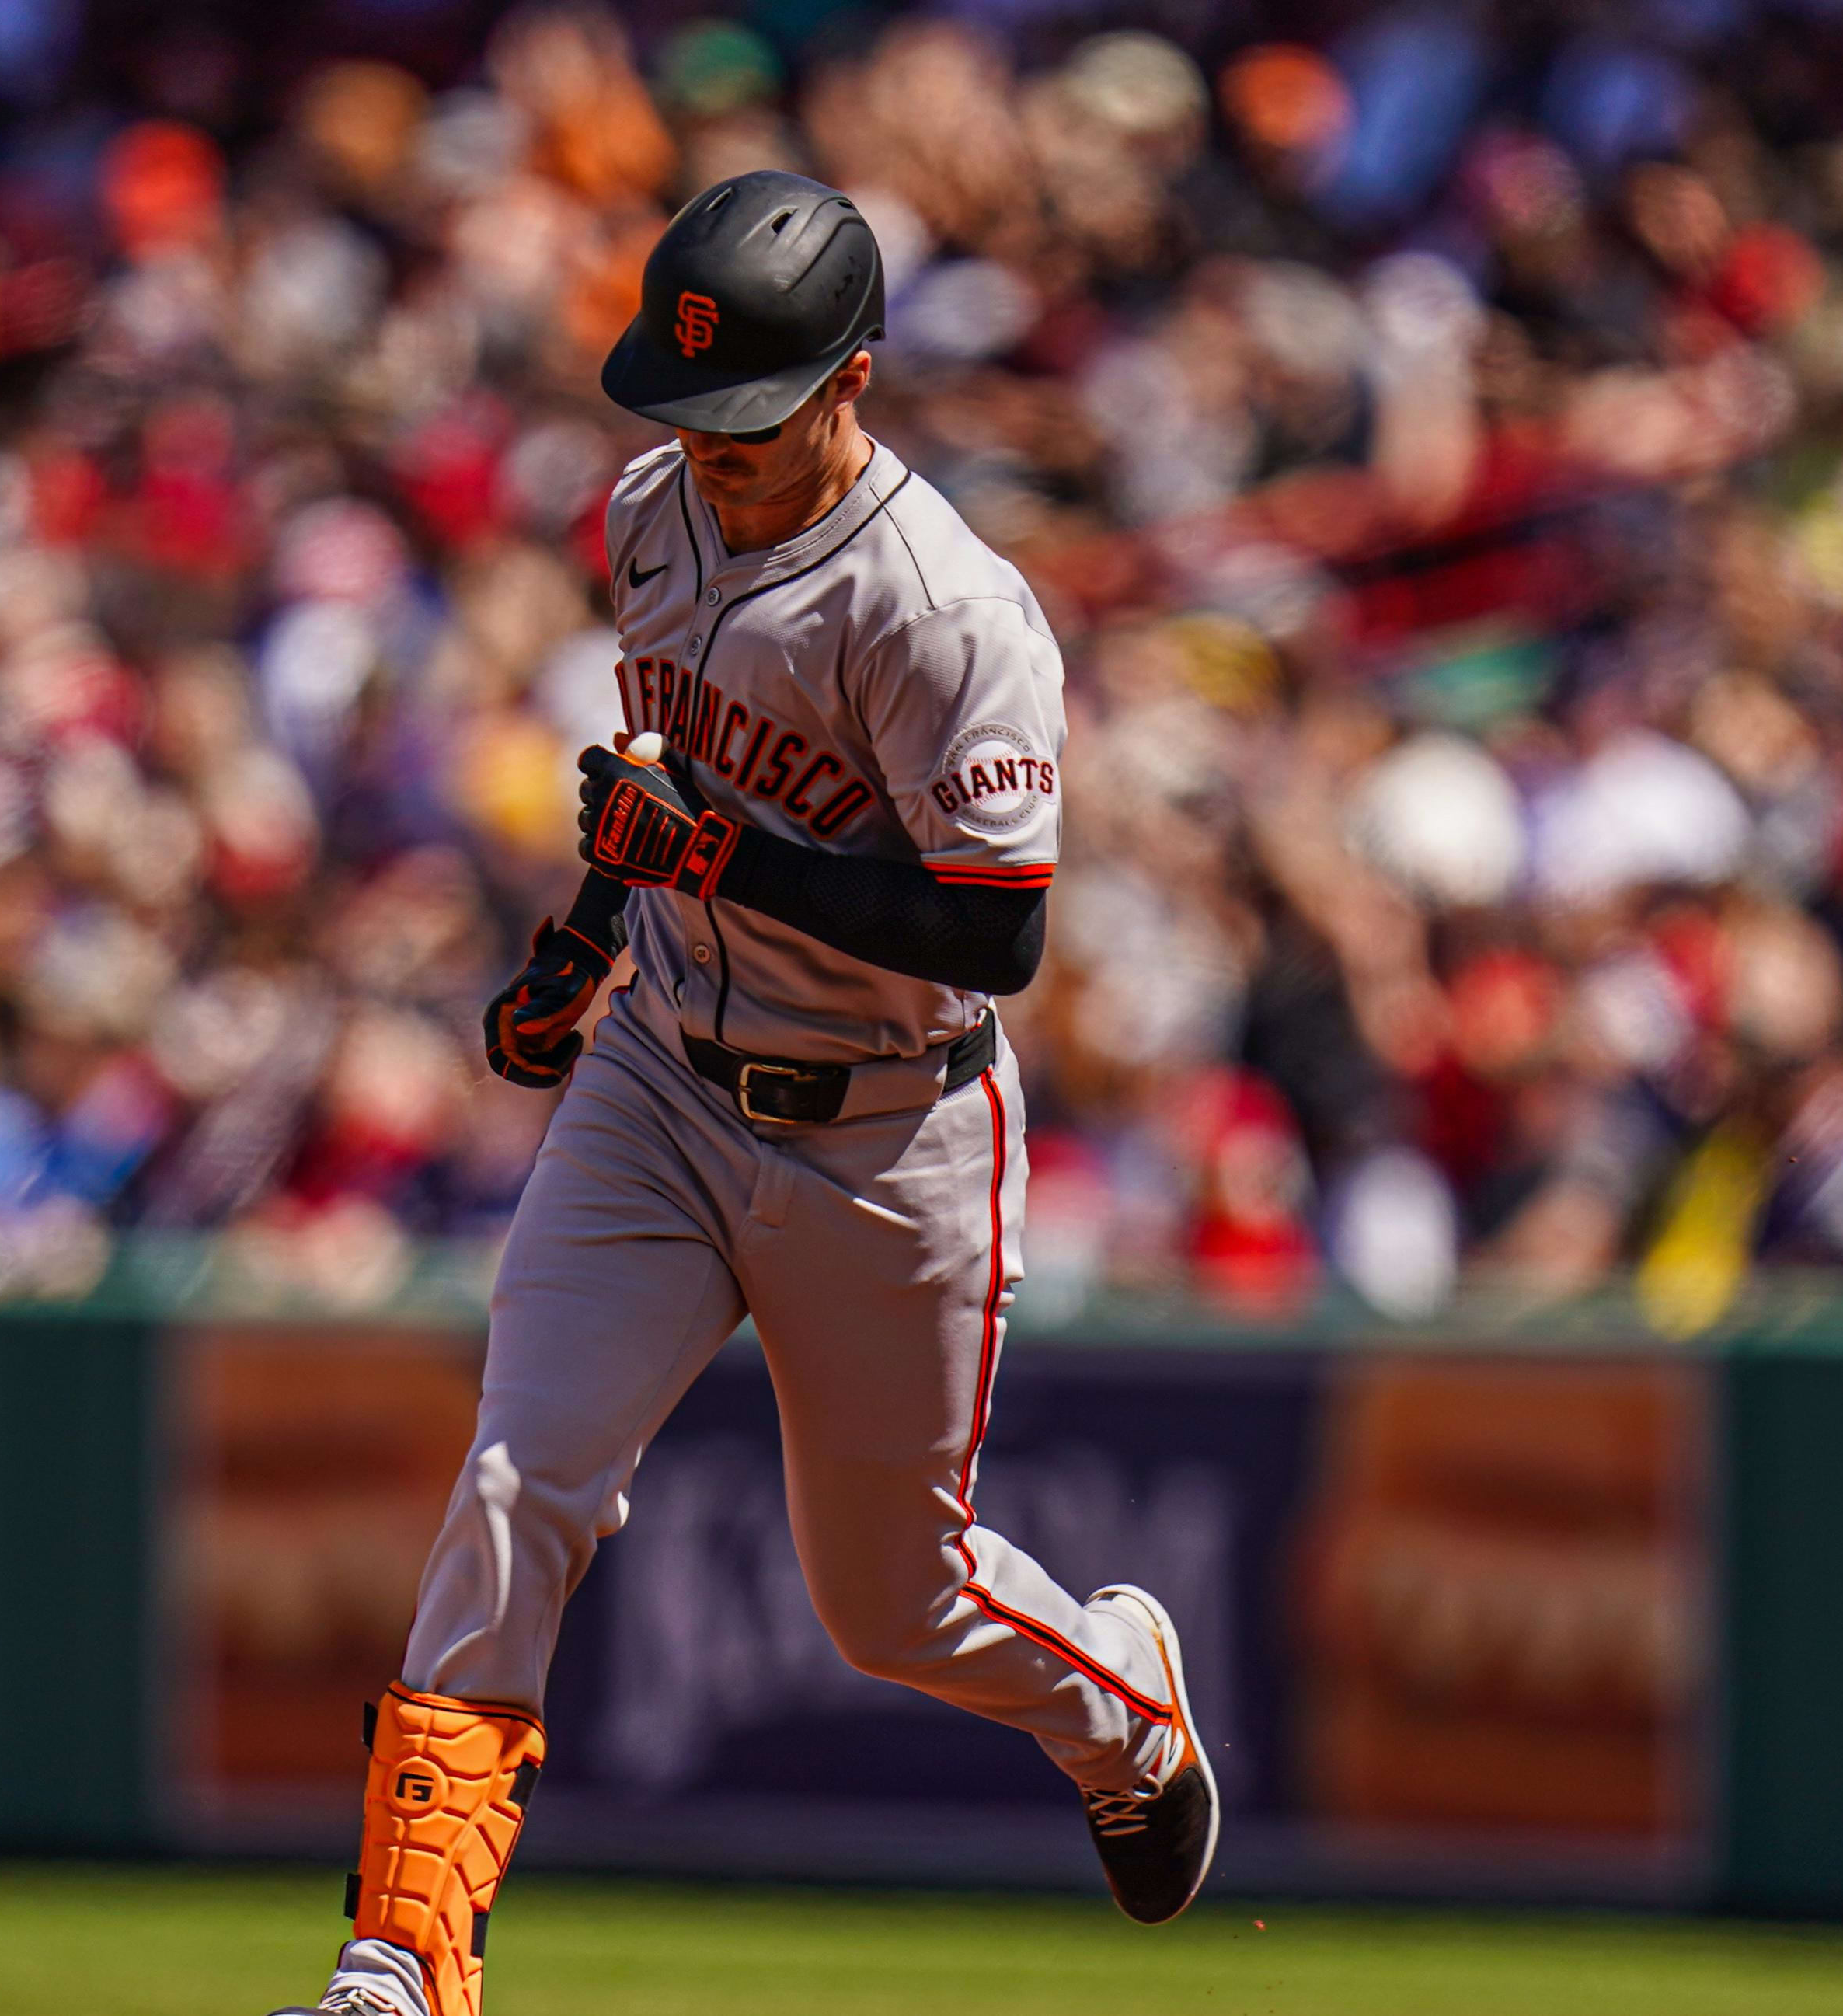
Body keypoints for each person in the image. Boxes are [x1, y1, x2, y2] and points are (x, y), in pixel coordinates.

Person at [272, 172, 1218, 2016]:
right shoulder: (650, 511)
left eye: (752, 420)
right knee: (513, 1475)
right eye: (685, 415)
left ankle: (1121, 1704)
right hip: (661, 1080)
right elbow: (665, 777)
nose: (709, 453)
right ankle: (406, 1957)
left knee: (894, 1606)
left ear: (854, 378)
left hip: (890, 1123)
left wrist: (716, 859)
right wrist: (588, 936)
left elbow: (997, 934)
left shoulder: (948, 610)